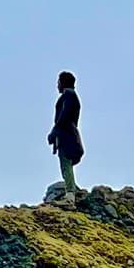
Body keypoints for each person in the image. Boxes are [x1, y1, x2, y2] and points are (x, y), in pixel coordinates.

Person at [47, 70, 83, 200]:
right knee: (65, 164)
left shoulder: (69, 95)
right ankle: (70, 190)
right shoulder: (71, 96)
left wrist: (54, 131)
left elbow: (64, 116)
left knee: (66, 164)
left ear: (63, 83)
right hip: (67, 135)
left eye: (58, 82)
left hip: (67, 137)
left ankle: (70, 195)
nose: (57, 85)